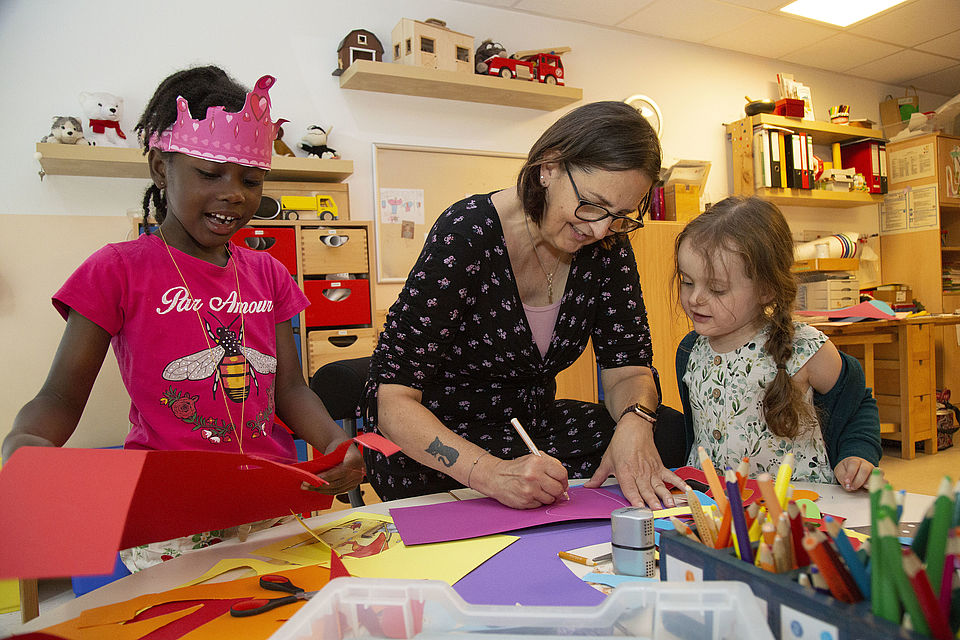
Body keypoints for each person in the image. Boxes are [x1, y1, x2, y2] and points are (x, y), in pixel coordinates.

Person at [4, 65, 362, 566]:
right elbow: (60, 396)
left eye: (251, 179)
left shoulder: (269, 273)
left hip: (275, 505)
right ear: (159, 169)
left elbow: (290, 390)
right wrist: (28, 441)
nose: (234, 193)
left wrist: (333, 441)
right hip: (171, 522)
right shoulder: (117, 270)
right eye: (210, 173)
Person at [362, 101, 688, 510]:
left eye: (620, 215)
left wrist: (635, 423)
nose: (600, 228)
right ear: (548, 167)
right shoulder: (467, 233)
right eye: (592, 204)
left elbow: (628, 369)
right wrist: (490, 474)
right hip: (440, 440)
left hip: (531, 430)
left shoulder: (606, 245)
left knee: (665, 432)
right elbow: (392, 402)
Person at [673, 195, 881, 490]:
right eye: (687, 281)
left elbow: (858, 403)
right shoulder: (690, 350)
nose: (695, 299)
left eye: (717, 288)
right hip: (716, 506)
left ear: (766, 289)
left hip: (795, 508)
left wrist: (857, 453)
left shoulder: (806, 349)